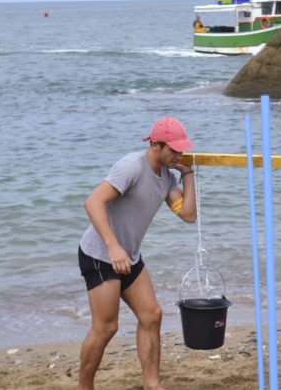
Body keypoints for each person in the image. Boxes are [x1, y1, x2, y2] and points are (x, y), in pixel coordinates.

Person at [77, 117, 197, 390]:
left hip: (129, 256)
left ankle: (152, 384)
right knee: (106, 327)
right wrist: (113, 246)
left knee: (152, 315)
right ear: (156, 145)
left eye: (182, 149)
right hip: (100, 254)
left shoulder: (167, 177)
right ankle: (84, 387)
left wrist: (188, 174)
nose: (179, 154)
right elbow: (93, 202)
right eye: (174, 150)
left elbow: (188, 215)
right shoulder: (131, 166)